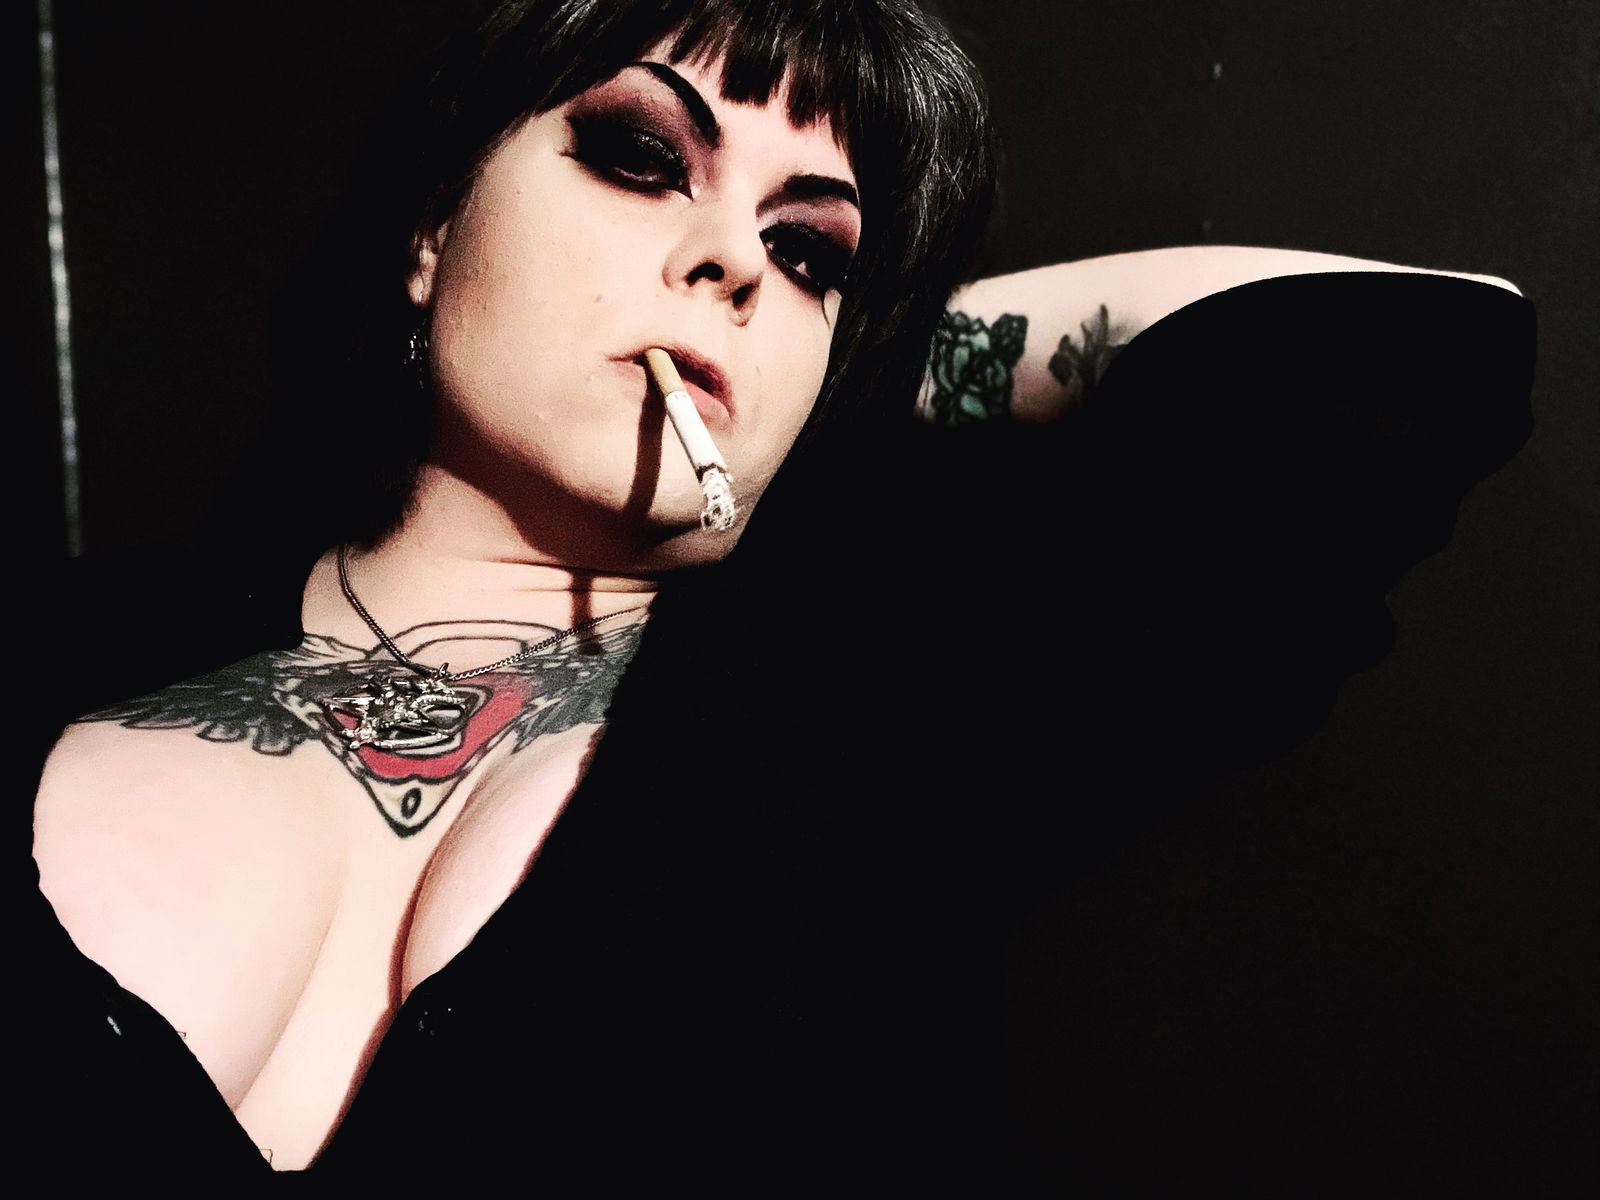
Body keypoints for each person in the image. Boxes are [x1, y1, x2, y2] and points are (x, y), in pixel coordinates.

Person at [22, 0, 1533, 1190]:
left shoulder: (896, 716)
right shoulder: (70, 643)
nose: (734, 260)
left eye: (810, 251)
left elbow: (1402, 349)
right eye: (640, 159)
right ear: (432, 231)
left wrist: (857, 367)